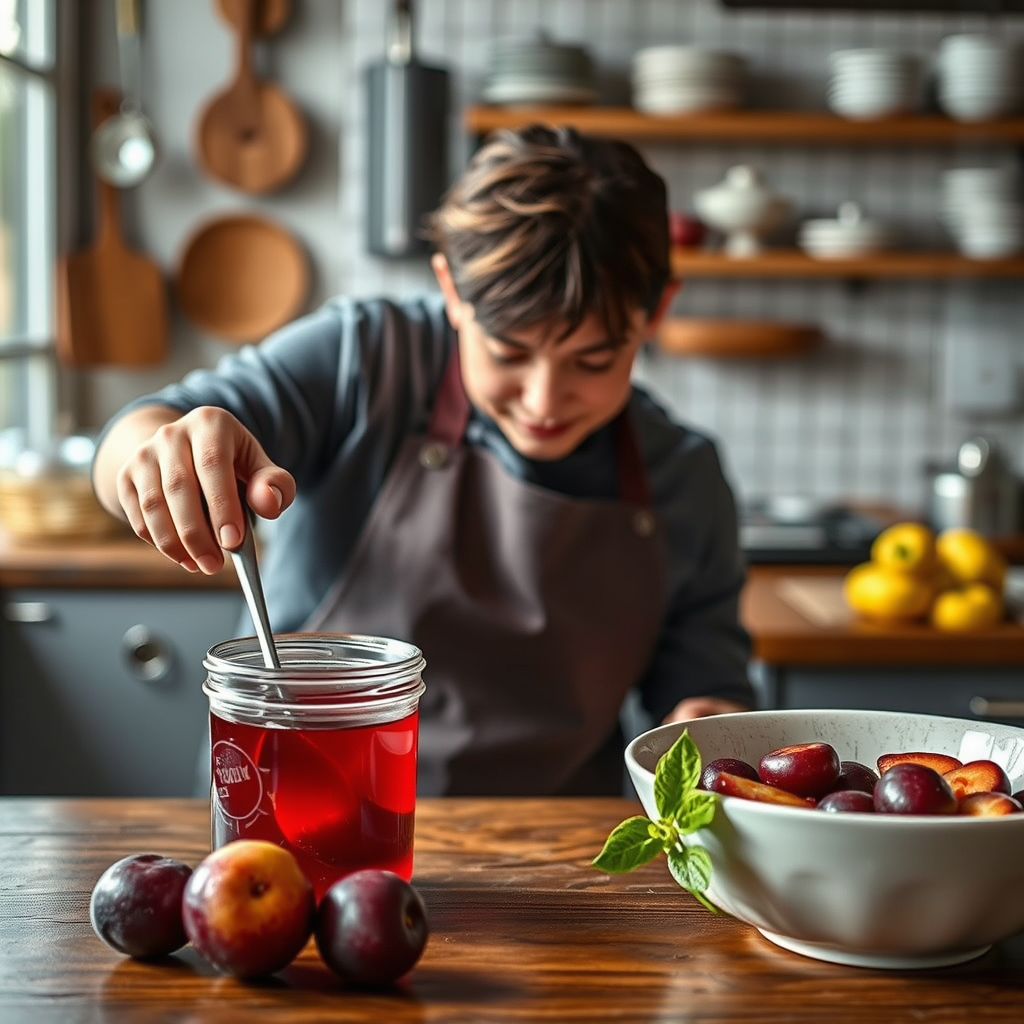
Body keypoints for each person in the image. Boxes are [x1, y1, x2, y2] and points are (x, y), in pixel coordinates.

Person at [92, 123, 755, 796]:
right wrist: (157, 451)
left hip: (549, 849)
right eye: (509, 353)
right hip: (292, 806)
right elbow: (134, 433)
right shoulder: (366, 359)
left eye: (593, 360)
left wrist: (710, 723)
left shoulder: (684, 478)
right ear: (451, 290)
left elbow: (707, 688)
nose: (544, 398)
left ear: (657, 313)